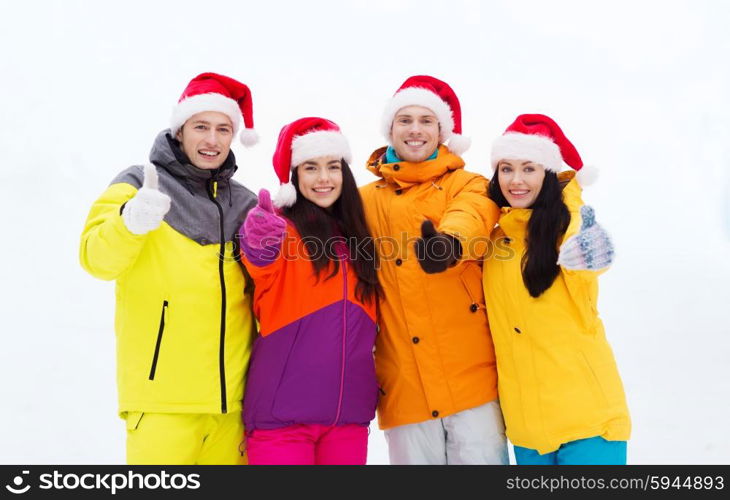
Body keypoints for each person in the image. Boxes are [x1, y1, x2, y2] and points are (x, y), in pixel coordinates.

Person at [79, 72, 259, 465]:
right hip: (162, 401)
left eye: (223, 129)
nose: (212, 140)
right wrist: (129, 222)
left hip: (234, 408)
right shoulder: (138, 184)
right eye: (201, 127)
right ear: (180, 131)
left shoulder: (246, 203)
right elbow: (96, 258)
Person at [359, 75, 508, 465]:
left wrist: (450, 244)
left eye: (426, 120)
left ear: (442, 131)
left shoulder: (469, 184)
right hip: (405, 387)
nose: (415, 129)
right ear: (389, 129)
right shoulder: (361, 201)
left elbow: (473, 215)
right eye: (404, 120)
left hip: (472, 382)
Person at [483, 113, 631, 465]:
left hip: (588, 421)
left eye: (529, 169)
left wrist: (591, 252)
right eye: (506, 169)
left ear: (548, 174)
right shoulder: (493, 237)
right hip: (528, 430)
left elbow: (586, 254)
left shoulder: (568, 222)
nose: (516, 180)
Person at [238, 117, 380, 465]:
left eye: (333, 167)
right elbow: (259, 261)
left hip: (347, 417)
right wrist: (258, 240)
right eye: (311, 168)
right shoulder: (282, 230)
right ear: (294, 176)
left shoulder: (361, 240)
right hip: (283, 418)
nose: (324, 178)